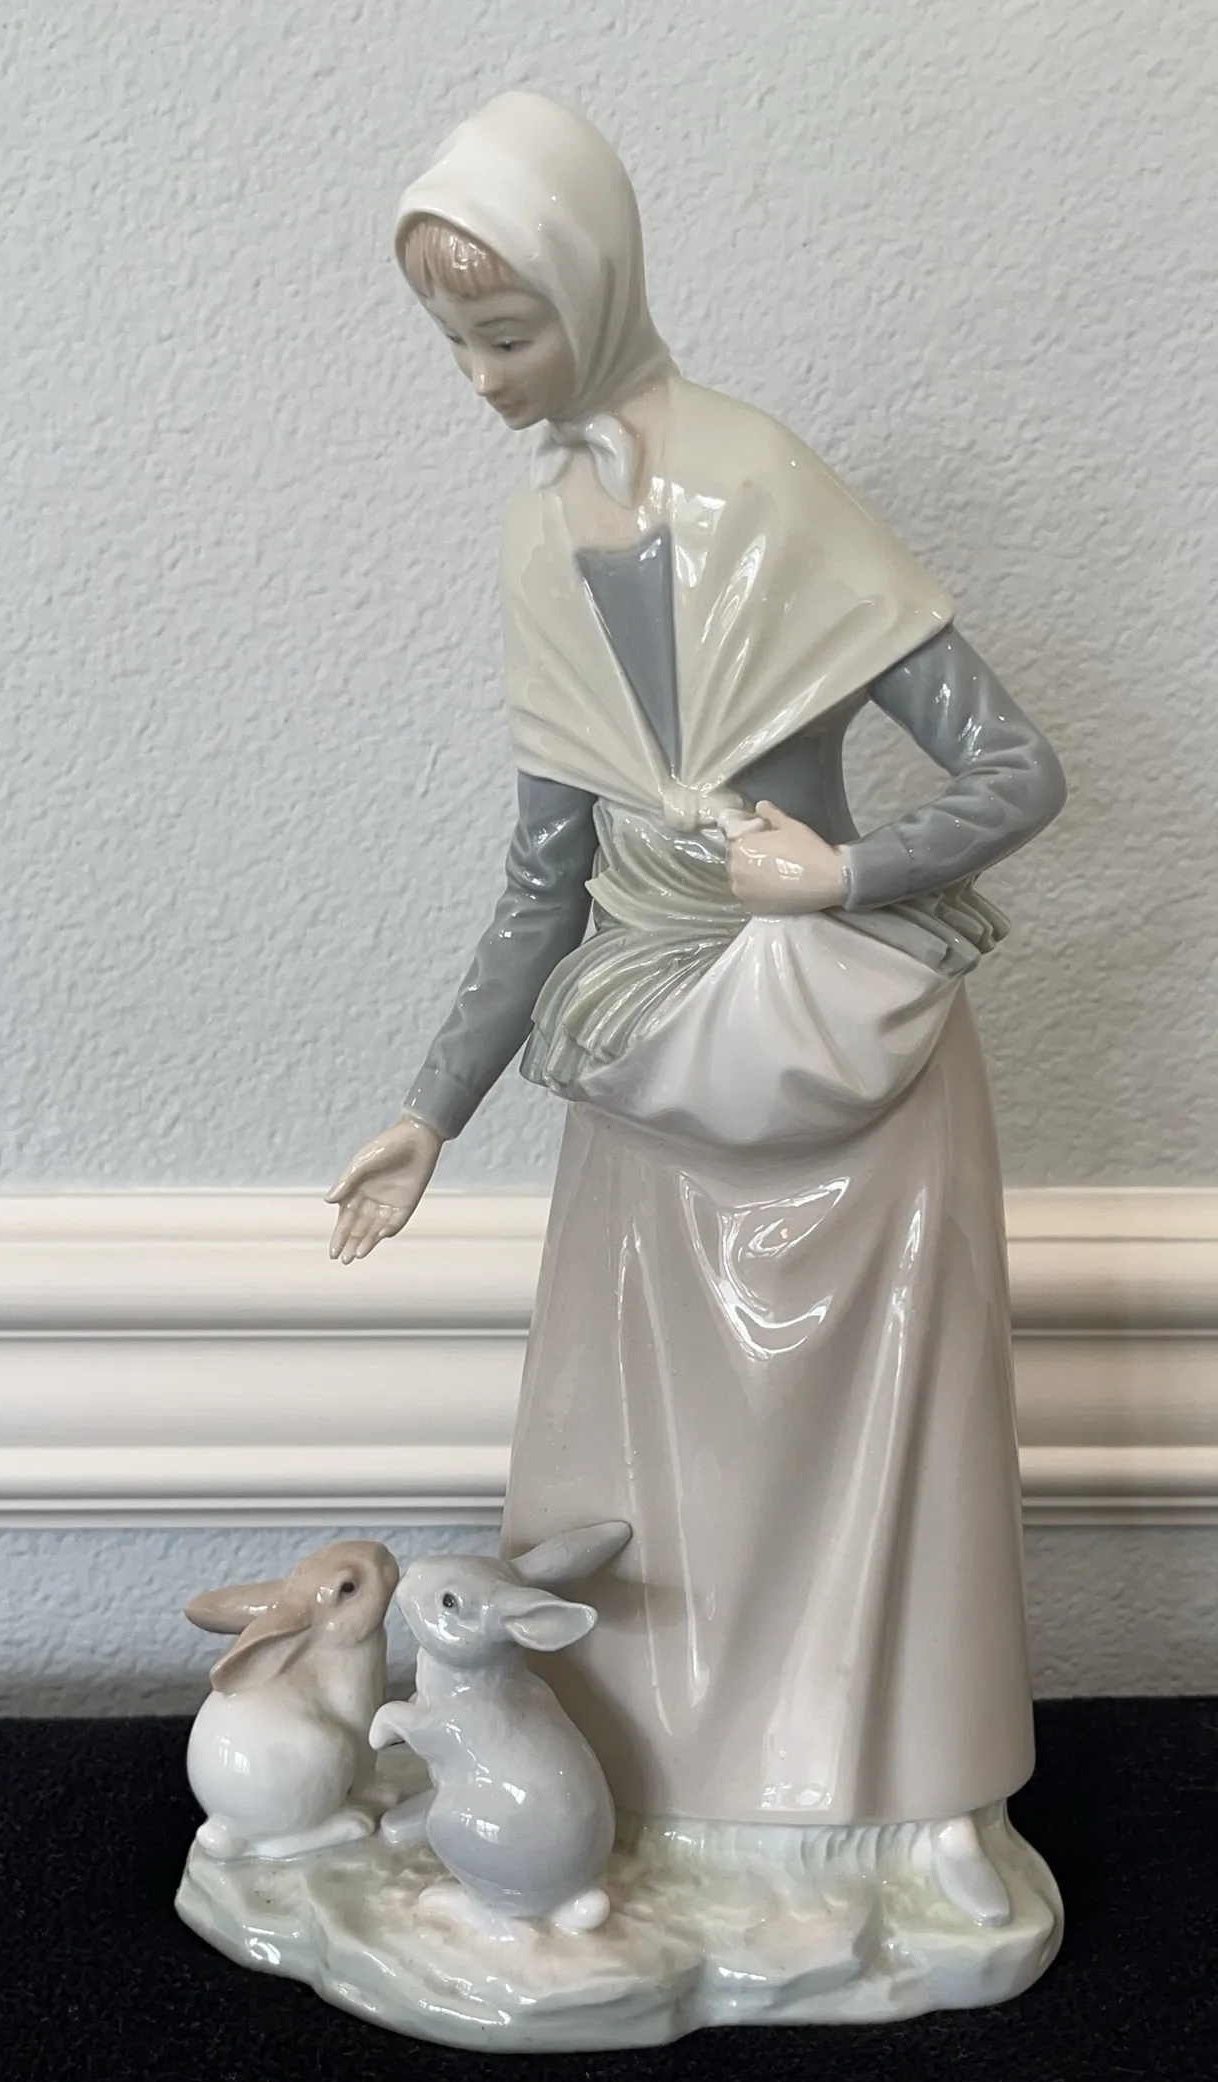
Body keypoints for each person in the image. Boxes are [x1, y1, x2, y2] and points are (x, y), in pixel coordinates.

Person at [327, 92, 1066, 1925]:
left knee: (889, 1451)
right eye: (455, 343)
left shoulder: (764, 483)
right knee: (656, 1472)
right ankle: (656, 1801)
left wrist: (841, 874)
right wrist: (431, 1109)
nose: (484, 382)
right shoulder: (538, 541)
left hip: (849, 1067)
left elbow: (1017, 770)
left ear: (595, 287)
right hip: (651, 1069)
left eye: (510, 334)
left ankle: (918, 1806)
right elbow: (544, 878)